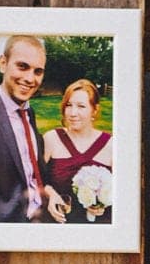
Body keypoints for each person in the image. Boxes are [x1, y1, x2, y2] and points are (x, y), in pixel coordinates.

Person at [0, 34, 67, 224]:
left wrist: (50, 191)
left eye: (38, 71)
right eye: (22, 66)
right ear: (3, 63)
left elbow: (32, 170)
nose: (30, 78)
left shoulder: (28, 112)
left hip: (43, 215)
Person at [41, 78, 114, 224]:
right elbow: (35, 179)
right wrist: (51, 194)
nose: (73, 113)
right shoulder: (51, 139)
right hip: (58, 223)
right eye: (69, 105)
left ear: (95, 109)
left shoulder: (111, 145)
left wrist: (103, 204)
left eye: (81, 106)